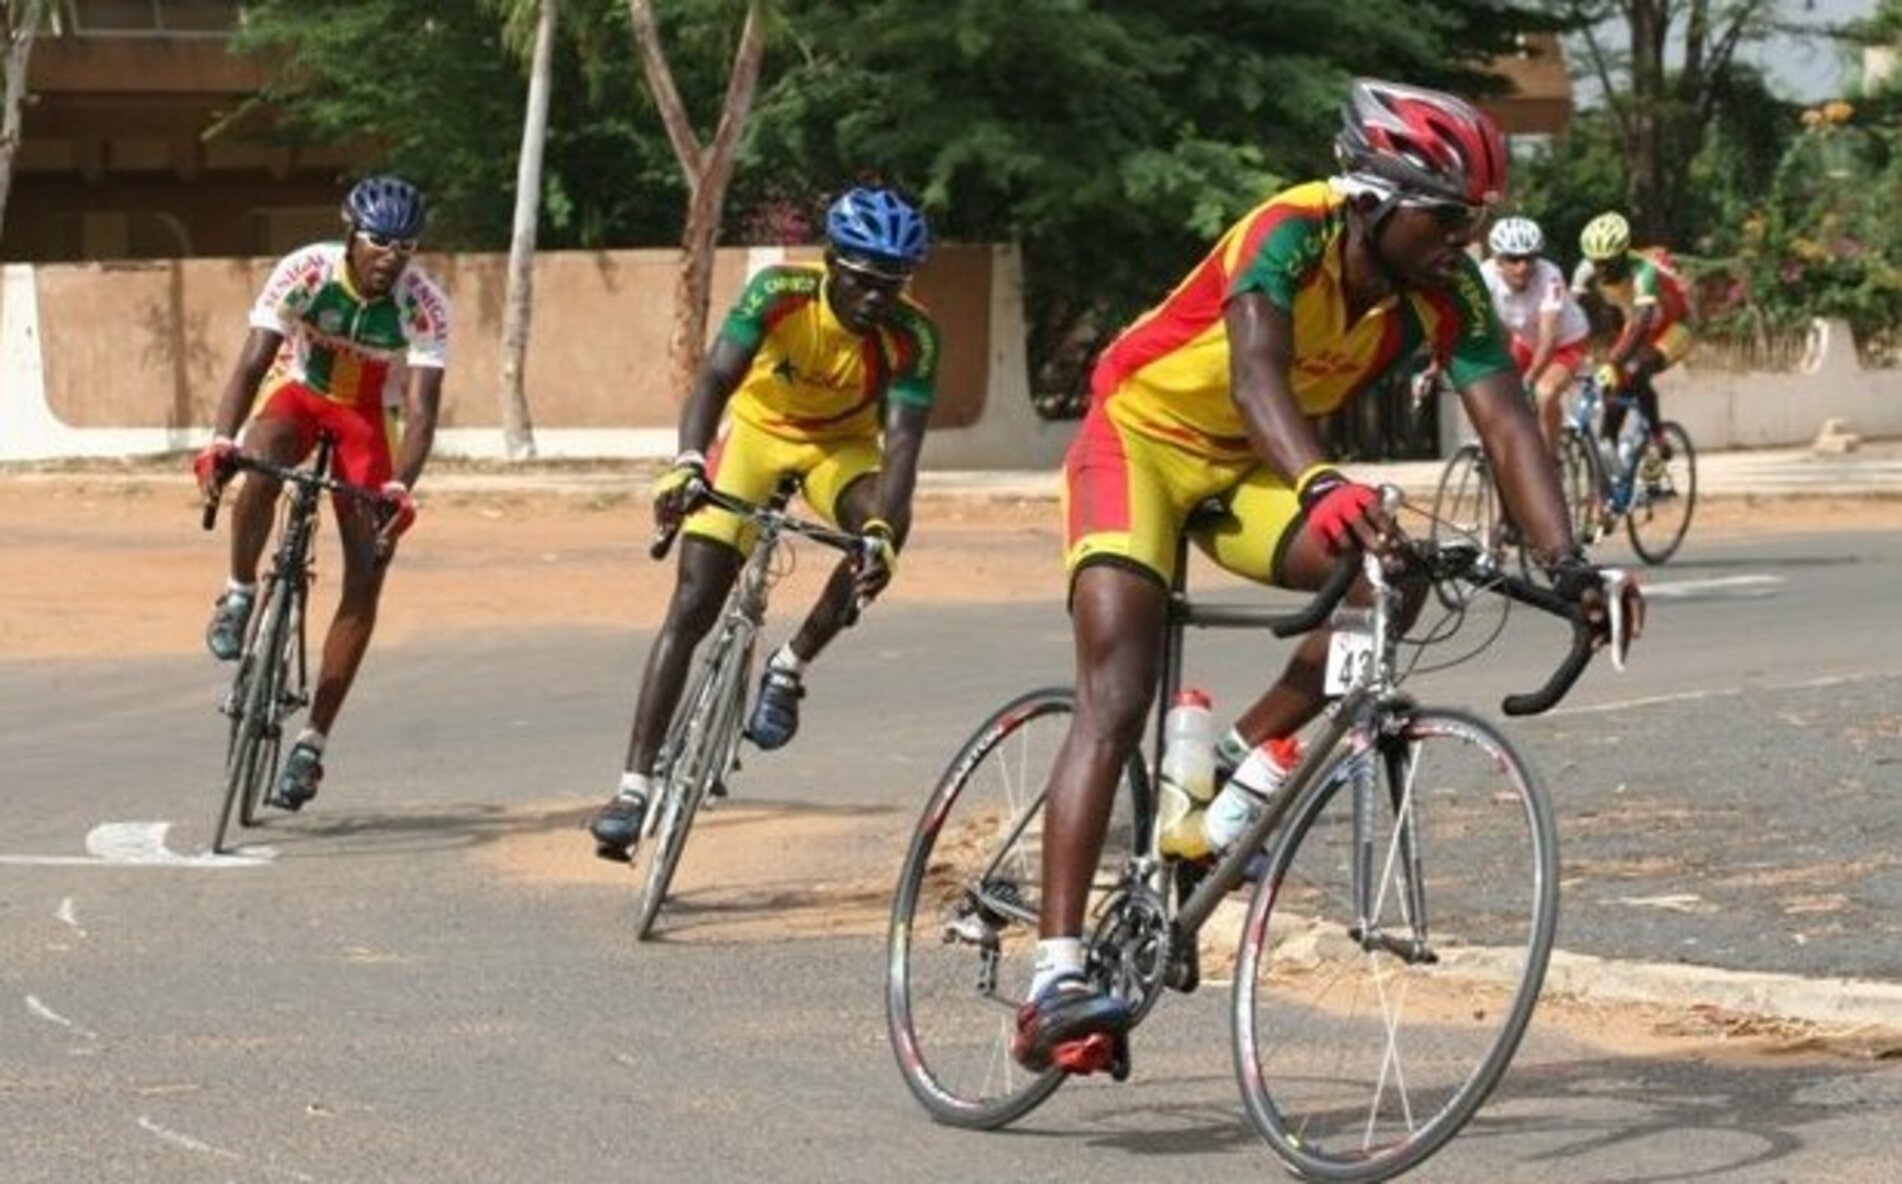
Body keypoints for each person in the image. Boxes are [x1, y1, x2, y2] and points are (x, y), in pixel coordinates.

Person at [1014, 79, 1644, 1075]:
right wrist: (1318, 481)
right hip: (1137, 446)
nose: (1462, 240)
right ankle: (1053, 974)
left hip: (1245, 470)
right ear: (1373, 200)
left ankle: (1232, 771)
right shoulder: (1287, 232)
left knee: (1391, 569)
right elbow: (1257, 370)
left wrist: (1569, 564)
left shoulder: (1444, 292)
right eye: (1445, 218)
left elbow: (1509, 420)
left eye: (1471, 221)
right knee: (1118, 693)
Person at [587, 186, 939, 861]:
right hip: (756, 436)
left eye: (893, 285)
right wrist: (687, 462)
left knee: (884, 526)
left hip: (839, 452)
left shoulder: (913, 336)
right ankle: (632, 788)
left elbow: (903, 449)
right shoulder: (779, 292)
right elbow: (715, 379)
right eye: (865, 281)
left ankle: (790, 664)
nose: (877, 299)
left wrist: (881, 536)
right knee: (692, 603)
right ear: (833, 261)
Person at [192, 175, 448, 811]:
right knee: (261, 461)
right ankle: (239, 593)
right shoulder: (306, 271)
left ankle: (311, 745)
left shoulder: (423, 303)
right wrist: (220, 440)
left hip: (366, 415)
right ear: (350, 233)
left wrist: (398, 486)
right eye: (381, 242)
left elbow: (420, 413)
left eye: (406, 246)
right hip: (300, 392)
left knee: (369, 567)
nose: (393, 256)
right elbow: (252, 364)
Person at [1571, 211, 1696, 459]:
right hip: (1635, 323)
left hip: (1672, 328)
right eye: (1595, 262)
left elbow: (1641, 322)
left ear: (1622, 254)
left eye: (1607, 261)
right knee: (1613, 384)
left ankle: (1657, 435)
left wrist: (1614, 362)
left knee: (1635, 368)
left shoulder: (1643, 271)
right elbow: (1568, 313)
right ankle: (1609, 445)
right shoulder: (1585, 269)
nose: (1601, 268)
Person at [1480, 215, 1593, 452]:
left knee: (1544, 392)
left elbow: (1549, 337)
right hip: (1527, 342)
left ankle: (1550, 461)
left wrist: (1530, 378)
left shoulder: (1549, 276)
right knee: (1498, 392)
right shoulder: (1484, 277)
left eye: (1529, 258)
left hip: (1566, 342)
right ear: (1498, 260)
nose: (1523, 267)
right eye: (1513, 259)